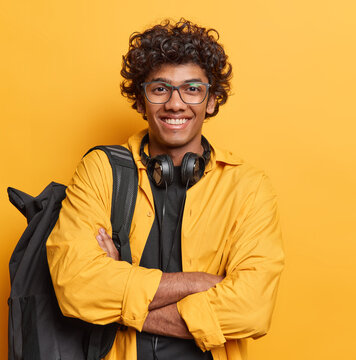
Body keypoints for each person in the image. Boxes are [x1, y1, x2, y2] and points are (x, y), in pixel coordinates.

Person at [46, 18, 284, 360]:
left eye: (192, 89)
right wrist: (199, 282)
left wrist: (120, 292)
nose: (175, 103)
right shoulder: (101, 171)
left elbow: (252, 308)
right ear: (141, 101)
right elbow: (75, 287)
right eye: (160, 89)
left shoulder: (248, 188)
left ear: (212, 101)